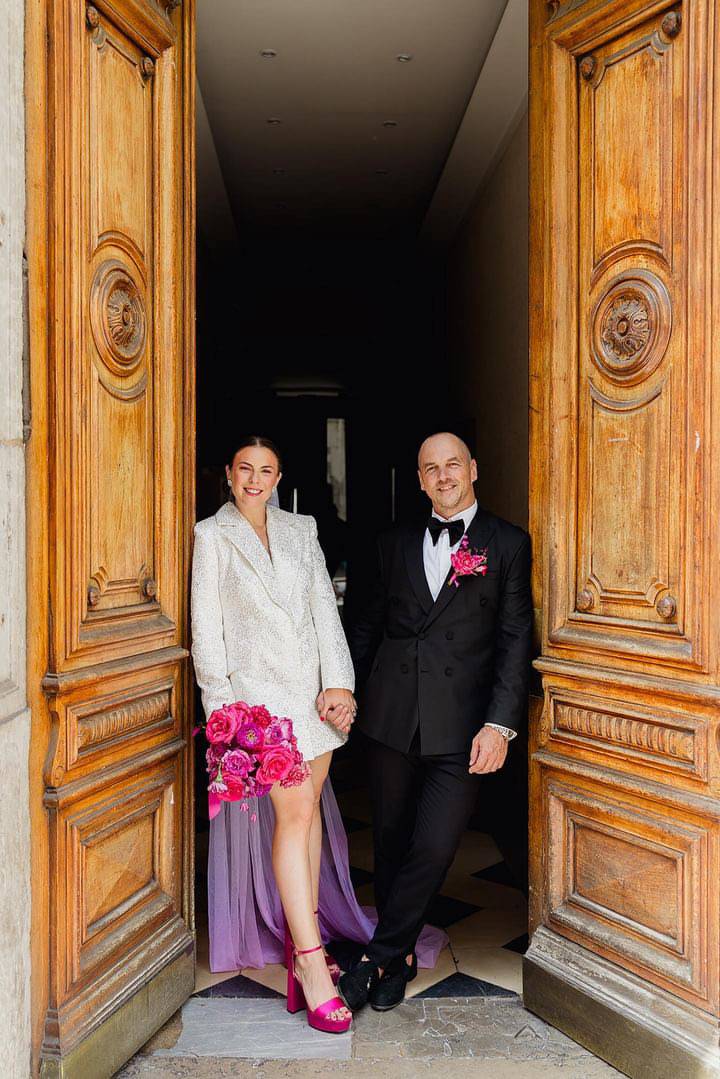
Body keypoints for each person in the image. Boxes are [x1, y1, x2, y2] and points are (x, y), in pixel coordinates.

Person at [339, 431, 532, 1012]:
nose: (443, 476)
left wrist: (499, 725)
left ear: (473, 469)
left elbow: (514, 640)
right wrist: (342, 692)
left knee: (435, 845)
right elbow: (365, 627)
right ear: (419, 479)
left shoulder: (507, 543)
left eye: (453, 465)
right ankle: (396, 959)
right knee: (392, 843)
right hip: (390, 719)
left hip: (464, 727)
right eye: (431, 468)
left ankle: (374, 955)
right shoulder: (392, 543)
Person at [191, 435, 356, 1034]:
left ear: (278, 475)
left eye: (266, 470)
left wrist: (340, 684)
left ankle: (300, 942)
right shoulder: (211, 536)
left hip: (313, 703)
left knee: (306, 816)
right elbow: (207, 634)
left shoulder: (300, 528)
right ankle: (312, 967)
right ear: (229, 476)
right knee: (293, 819)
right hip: (260, 712)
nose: (255, 479)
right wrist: (225, 716)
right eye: (245, 470)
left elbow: (323, 610)